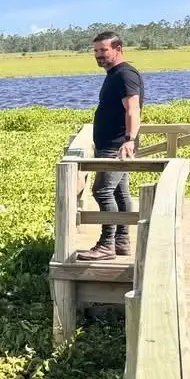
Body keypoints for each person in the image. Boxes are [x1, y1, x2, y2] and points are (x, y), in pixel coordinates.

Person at [76, 31, 143, 260]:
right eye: (95, 51)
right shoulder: (114, 74)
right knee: (120, 192)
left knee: (102, 190)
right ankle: (122, 241)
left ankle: (107, 245)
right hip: (113, 142)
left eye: (103, 50)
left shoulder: (125, 74)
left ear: (118, 48)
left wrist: (129, 140)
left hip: (117, 145)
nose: (98, 55)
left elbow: (133, 109)